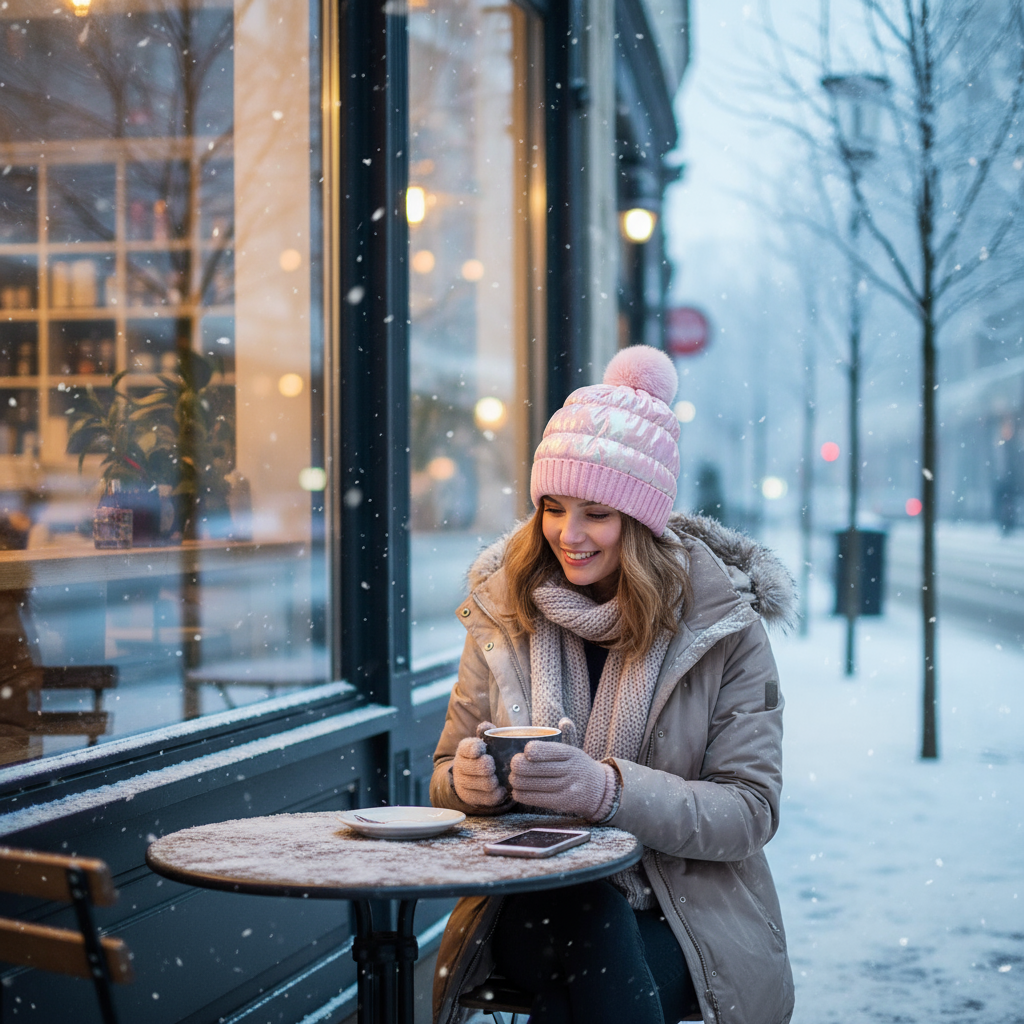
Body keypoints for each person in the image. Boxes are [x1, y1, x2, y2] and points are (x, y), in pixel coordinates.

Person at [430, 345, 796, 1024]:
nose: (569, 535)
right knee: (586, 914)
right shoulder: (505, 612)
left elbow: (749, 812)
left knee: (585, 983)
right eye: (553, 507)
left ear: (641, 522)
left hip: (683, 915)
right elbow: (446, 769)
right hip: (529, 903)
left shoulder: (723, 630)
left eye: (596, 512)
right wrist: (467, 783)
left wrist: (608, 791)